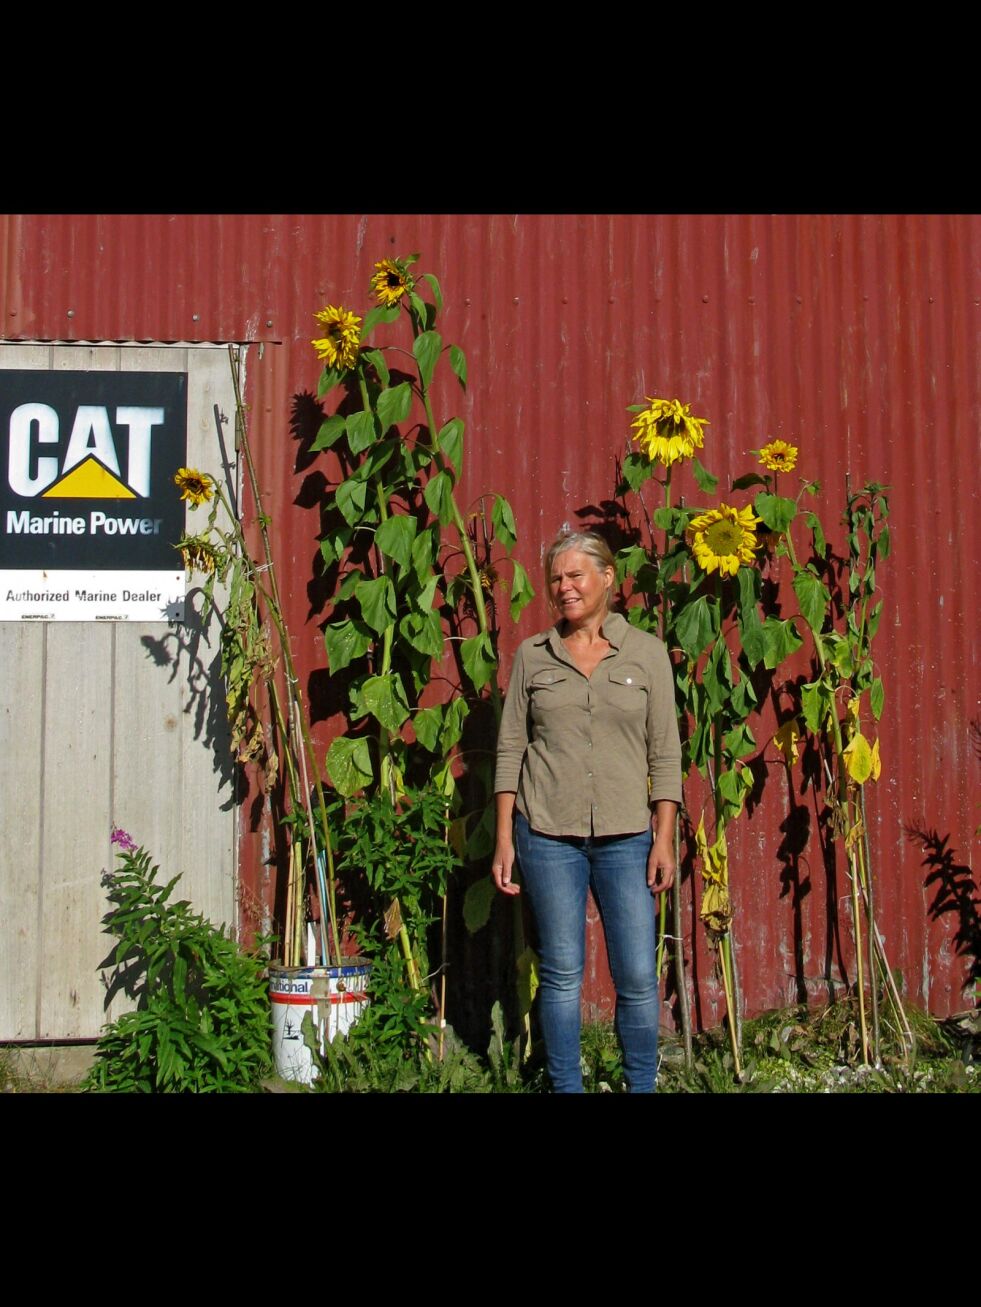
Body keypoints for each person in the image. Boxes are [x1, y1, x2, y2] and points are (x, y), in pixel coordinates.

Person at [492, 530, 682, 1093]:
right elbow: (511, 749)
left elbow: (665, 751)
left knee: (638, 977)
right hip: (548, 835)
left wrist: (664, 837)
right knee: (561, 975)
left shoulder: (646, 653)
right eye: (556, 578)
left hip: (626, 838)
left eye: (576, 575)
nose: (564, 587)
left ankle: (641, 1085)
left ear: (607, 579)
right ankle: (566, 1085)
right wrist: (505, 837)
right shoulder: (533, 655)